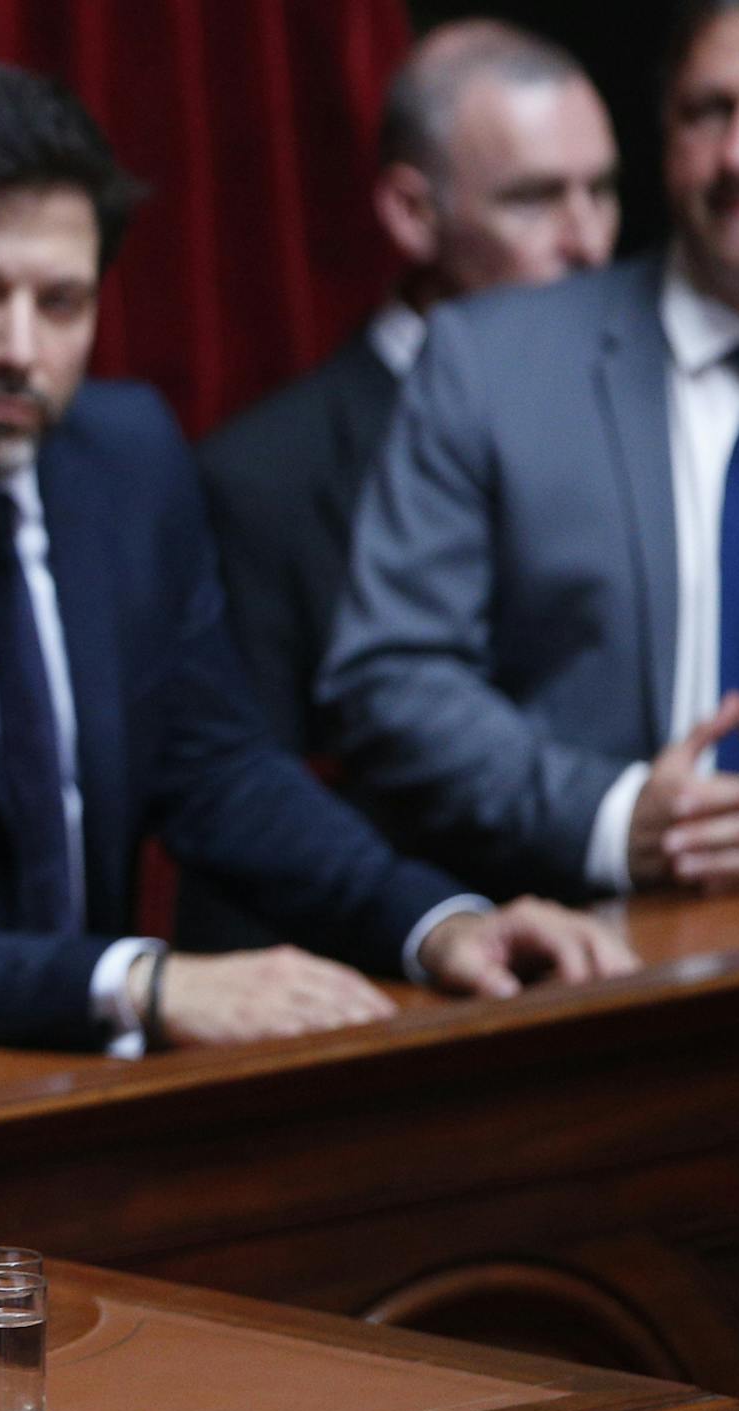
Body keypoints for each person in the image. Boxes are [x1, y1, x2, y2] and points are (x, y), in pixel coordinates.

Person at [0, 60, 635, 1056]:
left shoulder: (125, 459)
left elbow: (217, 769)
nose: (19, 347)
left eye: (62, 302)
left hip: (68, 1076)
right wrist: (140, 980)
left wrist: (438, 921)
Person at [320, 0, 739, 902]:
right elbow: (393, 676)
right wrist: (618, 817)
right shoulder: (487, 361)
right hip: (595, 952)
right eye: (708, 112)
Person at [184, 20, 619, 947]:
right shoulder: (265, 477)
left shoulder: (662, 408)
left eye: (604, 192)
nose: (586, 242)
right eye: (536, 199)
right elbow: (239, 813)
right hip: (413, 982)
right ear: (413, 214)